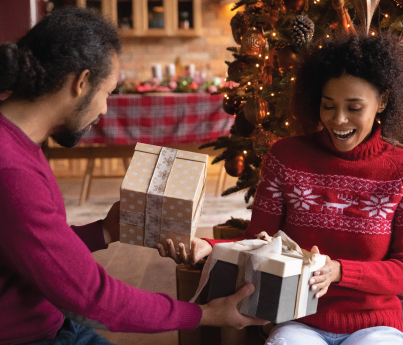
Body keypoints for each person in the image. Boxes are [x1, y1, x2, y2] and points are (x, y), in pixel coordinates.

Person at [0, 7, 268, 345]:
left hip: (51, 321)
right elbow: (93, 299)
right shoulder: (11, 171)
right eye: (107, 93)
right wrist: (208, 313)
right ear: (81, 83)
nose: (105, 110)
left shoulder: (17, 140)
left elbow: (38, 254)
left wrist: (105, 229)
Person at [158, 32, 403, 345]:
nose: (338, 120)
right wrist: (208, 248)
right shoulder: (286, 157)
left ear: (382, 101)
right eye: (328, 106)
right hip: (299, 321)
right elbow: (257, 241)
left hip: (374, 326)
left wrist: (340, 271)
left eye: (354, 108)